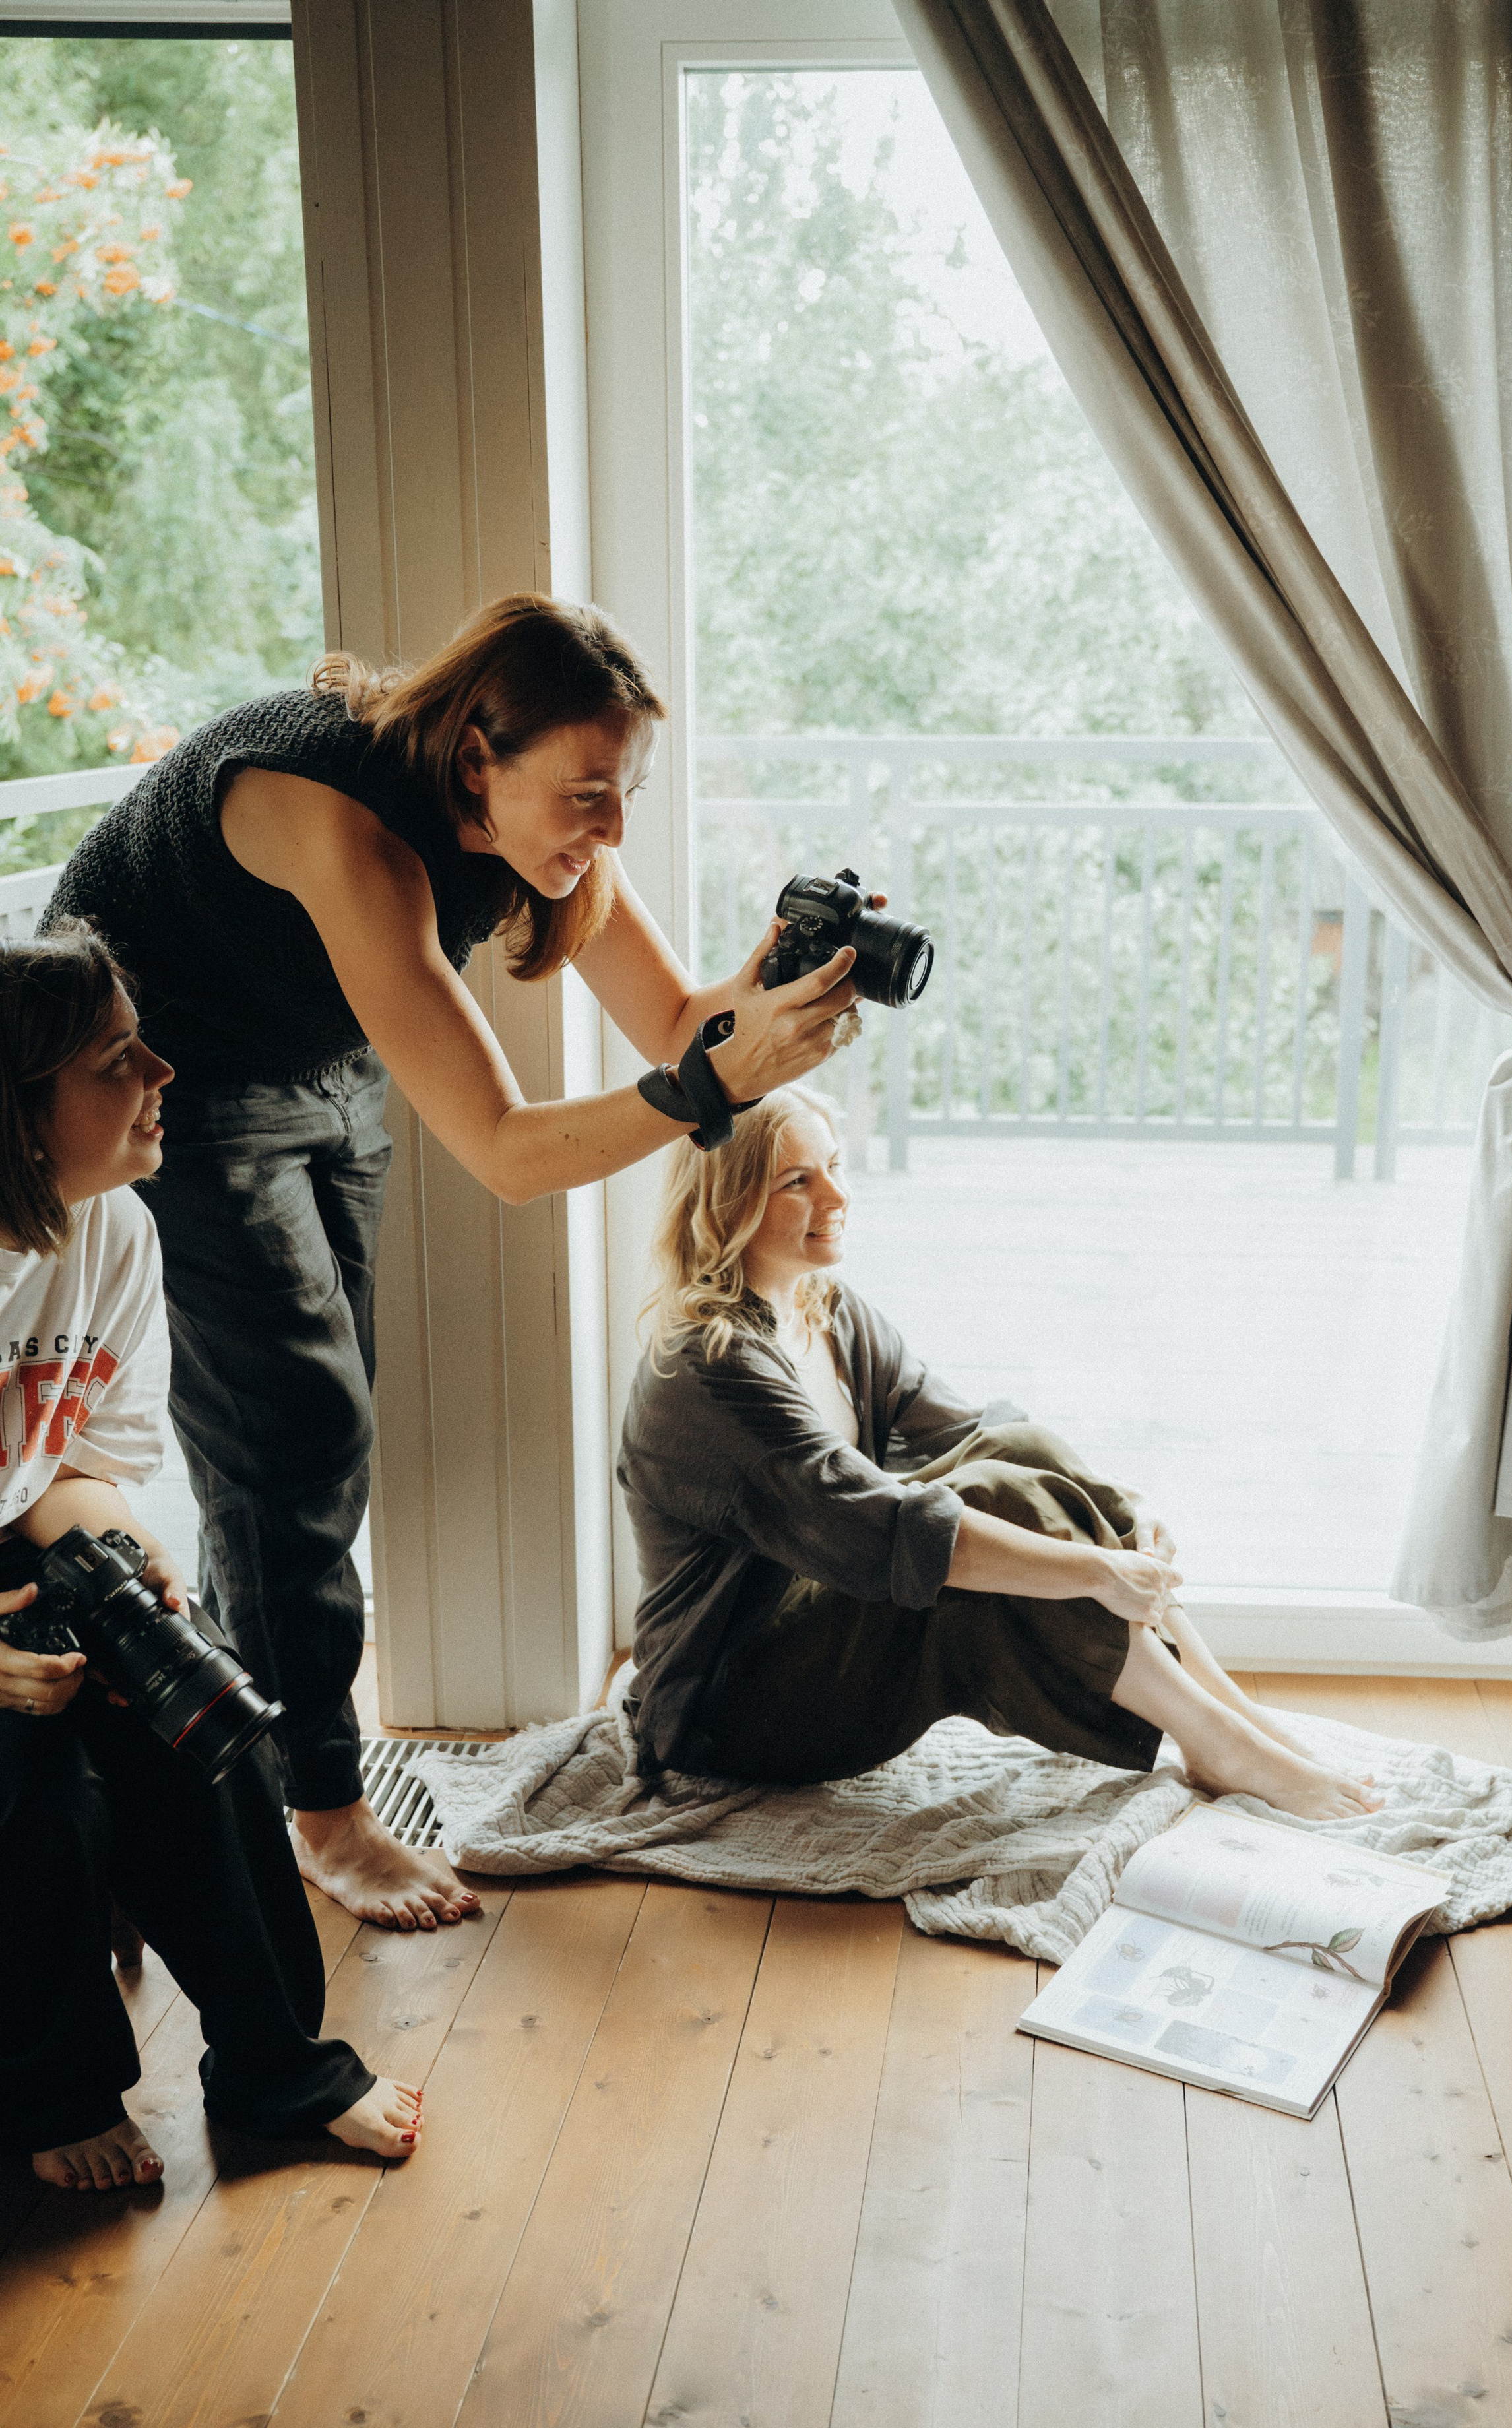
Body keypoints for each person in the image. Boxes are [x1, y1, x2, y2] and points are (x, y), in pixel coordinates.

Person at [46, 594, 857, 1930]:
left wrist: (775, 989)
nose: (610, 828)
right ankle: (319, 1812)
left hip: (316, 1046)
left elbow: (671, 1017)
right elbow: (505, 1152)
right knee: (290, 1439)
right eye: (590, 794)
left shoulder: (547, 827)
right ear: (477, 755)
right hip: (159, 1074)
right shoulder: (343, 823)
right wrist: (714, 1091)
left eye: (628, 794)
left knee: (324, 1426)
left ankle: (278, 1749)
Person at [617, 1084, 1385, 1820]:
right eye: (797, 1181)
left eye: (836, 1166)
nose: (838, 1198)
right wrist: (1098, 1571)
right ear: (729, 1203)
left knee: (1019, 1448)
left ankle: (1223, 1714)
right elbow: (890, 1530)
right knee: (985, 1505)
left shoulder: (830, 1312)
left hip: (814, 1635)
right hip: (727, 1707)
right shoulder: (712, 1369)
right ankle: (1217, 1738)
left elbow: (976, 1431)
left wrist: (1130, 1511)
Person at [0, 924, 422, 2190]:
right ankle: (56, 2093)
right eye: (118, 1059)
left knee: (211, 1719)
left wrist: (129, 1572)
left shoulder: (113, 1230)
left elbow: (72, 1468)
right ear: (21, 1112)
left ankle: (276, 2066)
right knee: (35, 1785)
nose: (165, 1075)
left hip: (21, 1545)